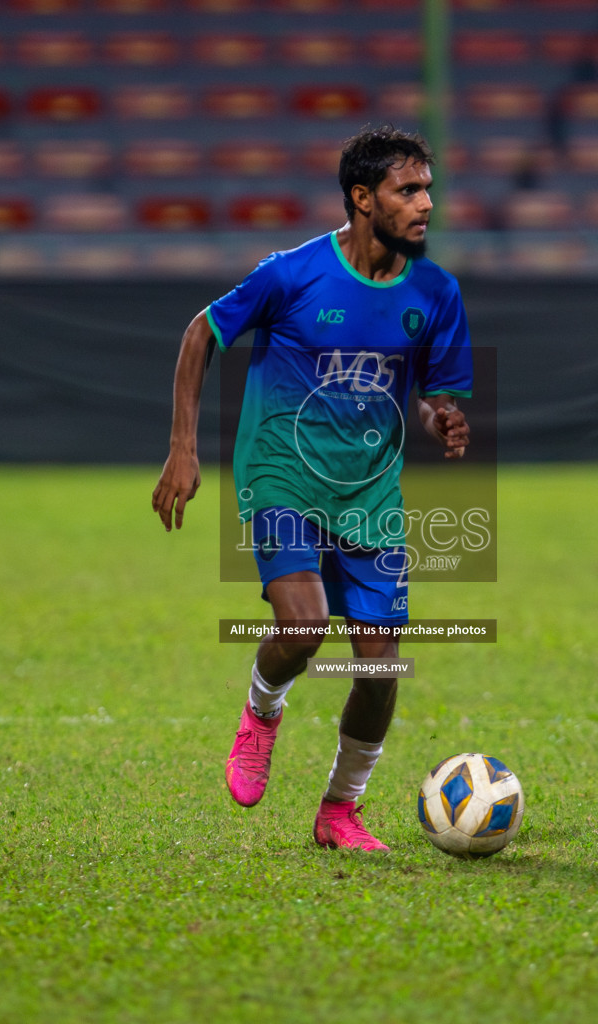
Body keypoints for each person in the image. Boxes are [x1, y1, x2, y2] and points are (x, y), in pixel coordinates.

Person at [152, 126, 474, 851]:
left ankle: (339, 811)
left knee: (382, 670)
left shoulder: (434, 291)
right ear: (363, 199)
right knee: (302, 626)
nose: (426, 202)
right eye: (408, 190)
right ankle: (262, 711)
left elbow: (426, 394)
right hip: (283, 473)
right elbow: (201, 333)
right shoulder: (291, 274)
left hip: (369, 495)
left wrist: (440, 419)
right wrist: (182, 448)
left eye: (428, 187)